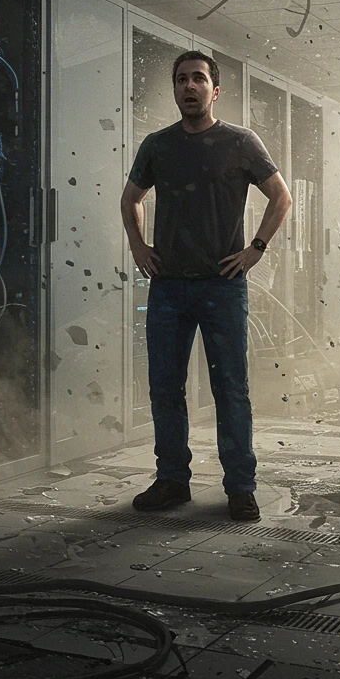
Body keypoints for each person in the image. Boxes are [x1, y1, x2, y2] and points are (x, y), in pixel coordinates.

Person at [121, 50, 292, 522]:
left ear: (215, 91)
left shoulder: (240, 142)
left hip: (222, 285)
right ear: (175, 90)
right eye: (181, 80)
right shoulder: (157, 145)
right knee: (164, 388)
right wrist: (139, 246)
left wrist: (256, 247)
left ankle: (240, 487)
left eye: (198, 79)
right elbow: (130, 199)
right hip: (169, 288)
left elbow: (281, 196)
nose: (189, 87)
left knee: (230, 389)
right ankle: (172, 480)